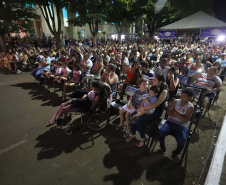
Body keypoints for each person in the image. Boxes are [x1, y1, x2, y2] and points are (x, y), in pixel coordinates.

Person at [126, 74, 168, 147]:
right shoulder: (153, 86)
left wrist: (144, 108)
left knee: (138, 119)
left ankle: (143, 138)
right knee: (131, 115)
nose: (153, 81)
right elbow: (144, 89)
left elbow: (156, 105)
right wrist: (134, 97)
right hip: (146, 107)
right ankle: (133, 134)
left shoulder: (163, 91)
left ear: (160, 82)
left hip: (155, 111)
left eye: (155, 80)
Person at [158, 87, 194, 156]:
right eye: (181, 95)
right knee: (160, 132)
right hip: (170, 122)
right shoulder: (176, 101)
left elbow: (185, 120)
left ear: (190, 98)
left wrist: (175, 112)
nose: (181, 97)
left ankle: (176, 152)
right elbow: (169, 113)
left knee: (182, 142)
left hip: (181, 125)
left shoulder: (190, 107)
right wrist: (180, 116)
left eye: (184, 96)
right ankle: (162, 147)